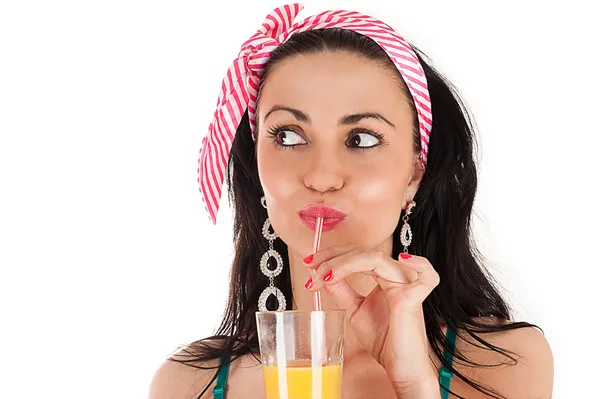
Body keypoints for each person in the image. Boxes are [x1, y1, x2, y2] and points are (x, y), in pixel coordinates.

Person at [149, 4, 553, 398]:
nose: (322, 177)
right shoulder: (186, 385)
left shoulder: (503, 367)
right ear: (256, 165)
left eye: (361, 139)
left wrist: (414, 386)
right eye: (288, 136)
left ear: (415, 174)